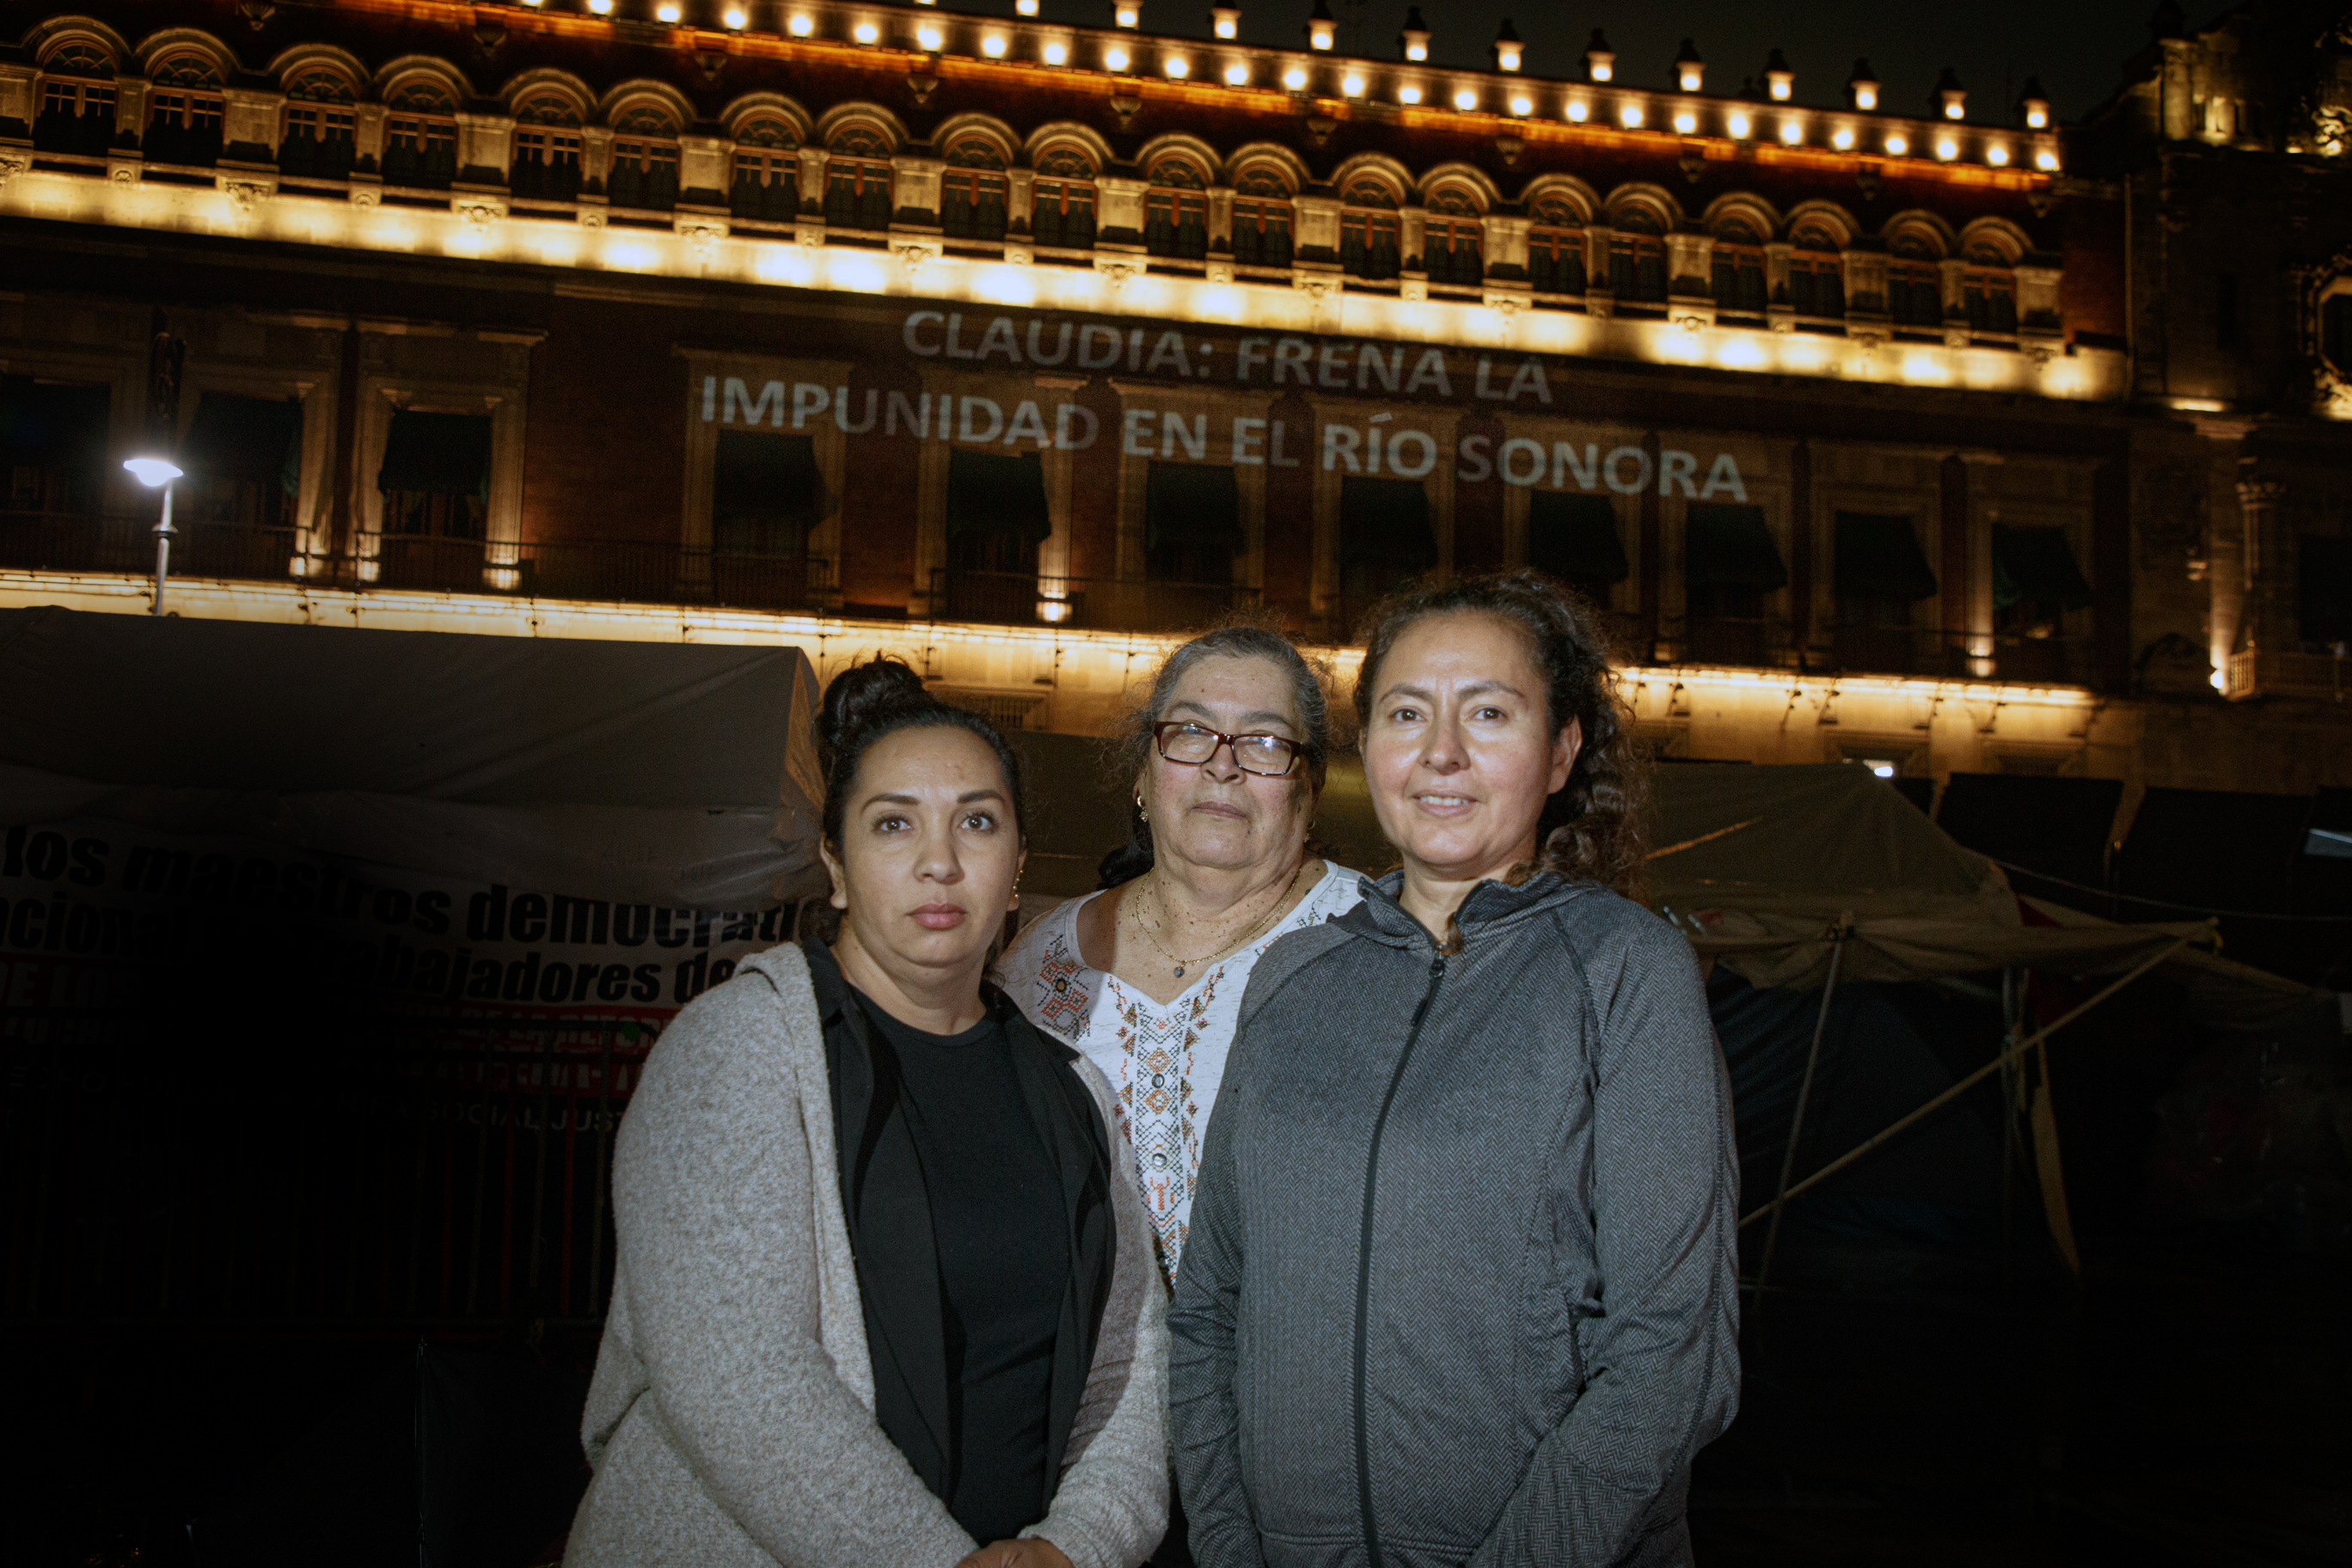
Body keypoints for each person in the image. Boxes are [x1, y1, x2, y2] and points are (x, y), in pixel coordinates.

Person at [1168, 573, 1740, 1568]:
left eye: (1488, 713)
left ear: (1562, 750)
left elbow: (1672, 1355)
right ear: (1368, 747)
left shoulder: (1624, 970)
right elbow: (1210, 1310)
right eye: (1406, 713)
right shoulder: (1293, 977)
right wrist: (1227, 1547)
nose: (1441, 753)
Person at [567, 658, 1167, 1568]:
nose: (940, 860)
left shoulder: (1074, 1089)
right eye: (895, 824)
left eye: (977, 820)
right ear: (836, 866)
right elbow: (734, 1375)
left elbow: (1133, 1365)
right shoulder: (740, 1047)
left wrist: (1072, 1547)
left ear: (1016, 870)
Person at [992, 622, 1363, 1291]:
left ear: (1308, 785)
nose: (1223, 765)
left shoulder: (1375, 947)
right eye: (1191, 732)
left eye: (1265, 741)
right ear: (1143, 772)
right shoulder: (1040, 962)